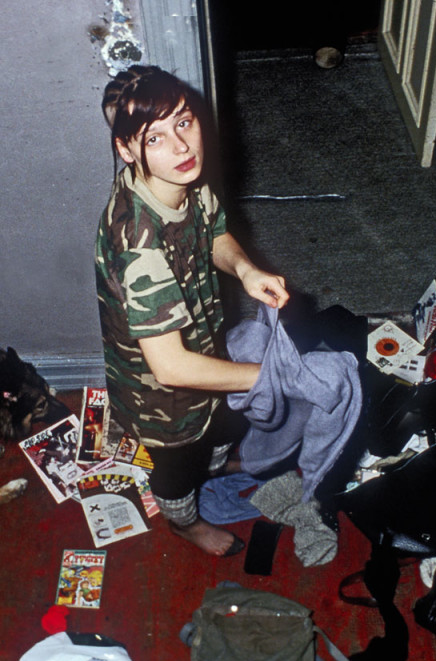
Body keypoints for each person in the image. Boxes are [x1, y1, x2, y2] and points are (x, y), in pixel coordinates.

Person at [94, 65, 290, 556]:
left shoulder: (186, 180)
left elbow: (216, 232)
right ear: (126, 150)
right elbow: (171, 367)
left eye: (184, 122)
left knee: (224, 426)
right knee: (179, 473)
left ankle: (217, 464)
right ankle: (184, 526)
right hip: (162, 399)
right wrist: (268, 375)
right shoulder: (136, 244)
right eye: (154, 138)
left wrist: (245, 270)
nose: (181, 147)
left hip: (206, 345)